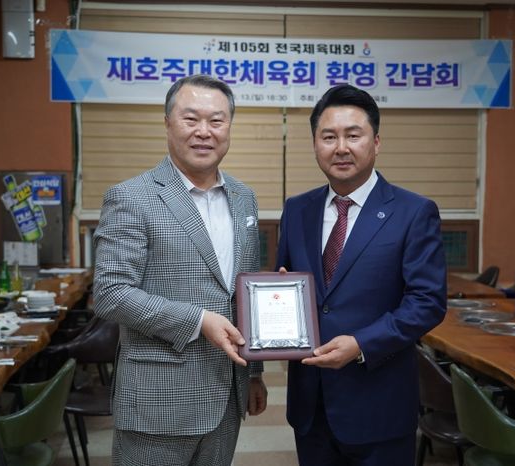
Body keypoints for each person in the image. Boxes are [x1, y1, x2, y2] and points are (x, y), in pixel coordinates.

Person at [93, 74, 267, 466]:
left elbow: (243, 292)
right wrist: (199, 321)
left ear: (229, 127)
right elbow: (110, 293)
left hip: (227, 393)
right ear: (168, 123)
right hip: (158, 399)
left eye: (217, 121)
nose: (204, 131)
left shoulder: (244, 198)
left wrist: (254, 373)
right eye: (191, 119)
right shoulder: (131, 197)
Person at [276, 84, 447, 466]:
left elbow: (427, 303)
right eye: (329, 137)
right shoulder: (297, 209)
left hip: (379, 404)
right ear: (315, 144)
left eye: (353, 135)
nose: (341, 147)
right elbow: (285, 282)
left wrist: (361, 344)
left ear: (376, 142)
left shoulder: (413, 212)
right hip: (310, 405)